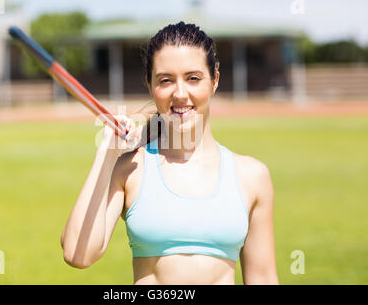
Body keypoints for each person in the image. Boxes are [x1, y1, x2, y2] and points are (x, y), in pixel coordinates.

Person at [61, 22, 278, 285]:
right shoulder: (131, 169)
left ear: (214, 81)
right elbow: (77, 254)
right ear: (150, 85)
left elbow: (263, 279)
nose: (180, 93)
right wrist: (106, 154)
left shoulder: (251, 176)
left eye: (193, 78)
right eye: (165, 80)